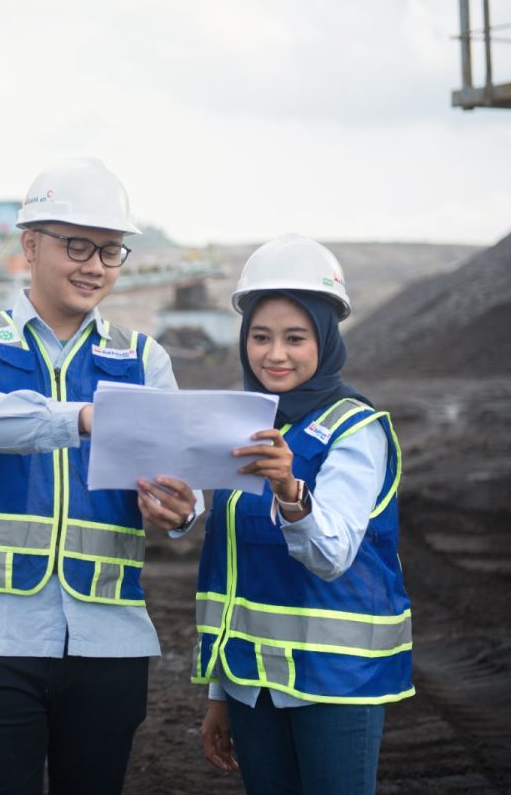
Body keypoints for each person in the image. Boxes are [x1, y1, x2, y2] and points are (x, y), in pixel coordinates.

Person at [0, 158, 202, 795]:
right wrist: (81, 416)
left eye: (110, 250)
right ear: (29, 245)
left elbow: (187, 484)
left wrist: (182, 510)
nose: (94, 265)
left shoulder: (143, 360)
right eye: (76, 245)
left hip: (109, 637)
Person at [191, 234, 414, 795]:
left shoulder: (355, 430)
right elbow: (234, 571)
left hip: (336, 682)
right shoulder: (244, 425)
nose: (275, 354)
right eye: (261, 337)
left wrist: (291, 490)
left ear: (327, 340)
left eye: (296, 338)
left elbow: (332, 554)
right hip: (251, 684)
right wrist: (222, 693)